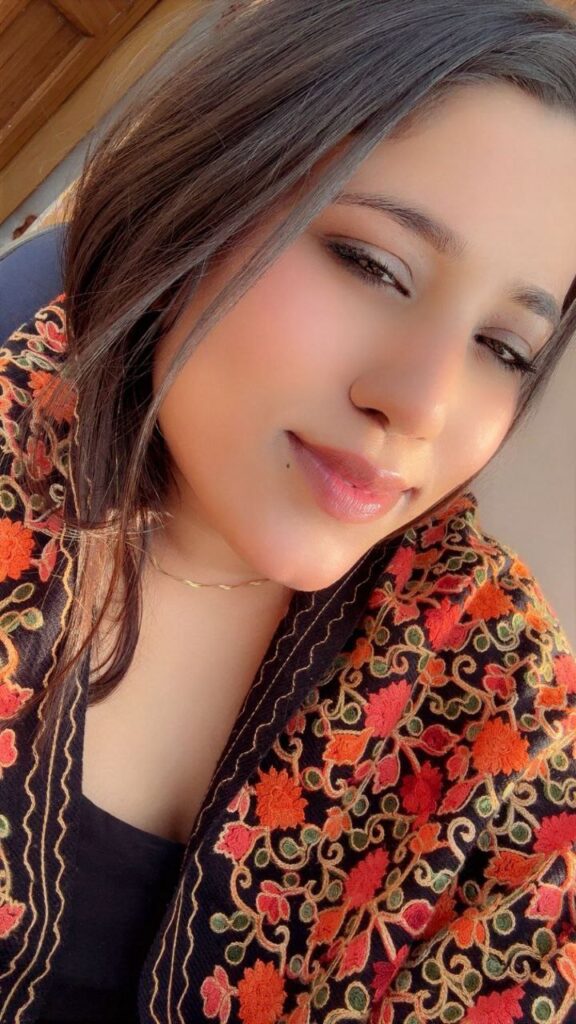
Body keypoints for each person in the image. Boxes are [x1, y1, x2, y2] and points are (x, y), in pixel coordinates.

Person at [1, 0, 576, 1021]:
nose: (424, 405)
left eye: (503, 349)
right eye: (373, 266)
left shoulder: (497, 695)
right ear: (206, 195)